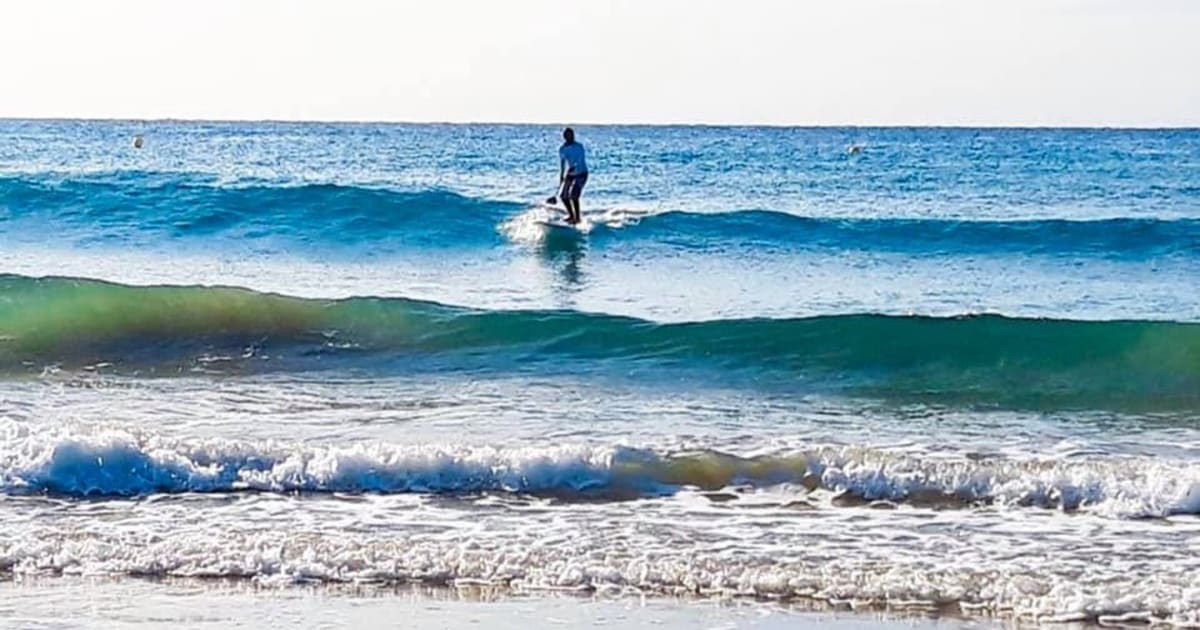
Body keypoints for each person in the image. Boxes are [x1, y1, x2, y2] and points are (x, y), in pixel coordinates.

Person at [557, 127, 588, 224]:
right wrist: (562, 176)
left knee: (574, 196)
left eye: (571, 135)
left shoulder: (579, 147)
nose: (570, 137)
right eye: (568, 136)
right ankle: (571, 215)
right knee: (563, 196)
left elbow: (580, 160)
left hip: (582, 173)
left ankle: (577, 218)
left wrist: (574, 167)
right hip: (571, 174)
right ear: (564, 137)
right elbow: (563, 163)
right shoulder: (562, 149)